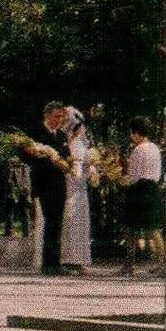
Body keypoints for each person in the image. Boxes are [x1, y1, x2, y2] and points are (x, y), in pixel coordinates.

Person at [25, 101, 74, 276]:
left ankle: (55, 262)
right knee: (50, 220)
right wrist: (44, 157)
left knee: (58, 222)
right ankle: (48, 263)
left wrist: (65, 163)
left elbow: (68, 157)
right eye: (56, 116)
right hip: (43, 182)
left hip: (59, 183)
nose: (59, 120)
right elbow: (26, 155)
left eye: (61, 117)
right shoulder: (36, 132)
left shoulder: (61, 135)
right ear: (47, 115)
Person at [121, 117, 165, 275]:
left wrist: (120, 179)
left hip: (139, 189)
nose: (131, 136)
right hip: (153, 188)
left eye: (132, 133)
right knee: (153, 228)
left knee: (130, 228)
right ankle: (163, 263)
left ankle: (129, 265)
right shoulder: (155, 148)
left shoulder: (138, 150)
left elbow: (133, 176)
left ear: (136, 133)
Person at [60, 107, 92, 272]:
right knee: (69, 219)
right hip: (70, 183)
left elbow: (88, 163)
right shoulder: (68, 144)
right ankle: (67, 258)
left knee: (79, 221)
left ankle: (79, 259)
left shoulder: (81, 144)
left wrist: (92, 171)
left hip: (80, 186)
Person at [3, 153, 32, 238]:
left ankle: (10, 231)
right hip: (24, 188)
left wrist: (11, 190)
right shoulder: (26, 164)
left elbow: (9, 179)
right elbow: (27, 179)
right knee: (24, 212)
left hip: (16, 188)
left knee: (11, 210)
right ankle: (25, 232)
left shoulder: (11, 163)